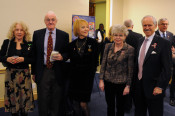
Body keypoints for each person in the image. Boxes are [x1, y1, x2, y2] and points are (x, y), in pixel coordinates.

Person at [132, 15, 172, 116]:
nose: (147, 27)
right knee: (139, 112)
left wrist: (160, 86)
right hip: (139, 86)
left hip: (155, 88)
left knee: (155, 113)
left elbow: (167, 68)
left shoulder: (164, 43)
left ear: (155, 26)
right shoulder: (140, 41)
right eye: (144, 25)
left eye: (150, 25)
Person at [31, 11, 69, 116]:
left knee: (56, 99)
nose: (50, 21)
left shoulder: (64, 35)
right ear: (44, 21)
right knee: (43, 99)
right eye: (48, 19)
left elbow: (67, 52)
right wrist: (34, 72)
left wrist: (63, 56)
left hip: (58, 71)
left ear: (56, 21)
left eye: (53, 19)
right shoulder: (37, 34)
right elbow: (34, 54)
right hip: (43, 71)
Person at [99, 24, 134, 116]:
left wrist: (128, 86)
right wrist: (101, 80)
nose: (117, 37)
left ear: (125, 36)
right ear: (112, 36)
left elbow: (130, 70)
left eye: (120, 35)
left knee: (120, 107)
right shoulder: (107, 46)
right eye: (115, 35)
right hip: (108, 81)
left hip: (122, 83)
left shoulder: (130, 49)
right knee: (110, 105)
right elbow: (103, 64)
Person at [0, 21, 34, 116]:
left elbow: (33, 59)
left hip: (24, 75)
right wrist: (7, 58)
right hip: (10, 75)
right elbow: (0, 56)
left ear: (25, 32)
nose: (19, 32)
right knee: (13, 100)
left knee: (24, 101)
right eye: (17, 30)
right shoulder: (7, 43)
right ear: (13, 31)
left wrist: (24, 59)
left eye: (21, 30)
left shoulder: (29, 44)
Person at [67, 19, 99, 116]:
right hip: (75, 79)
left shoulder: (93, 43)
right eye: (83, 27)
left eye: (87, 27)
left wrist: (91, 74)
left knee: (83, 103)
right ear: (77, 29)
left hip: (86, 79)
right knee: (75, 103)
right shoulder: (71, 44)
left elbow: (95, 62)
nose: (86, 29)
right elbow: (70, 60)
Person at [155, 18, 175, 106]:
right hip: (157, 62)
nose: (165, 26)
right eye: (163, 24)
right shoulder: (154, 34)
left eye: (166, 24)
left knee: (169, 79)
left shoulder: (171, 35)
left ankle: (172, 97)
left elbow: (172, 46)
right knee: (158, 79)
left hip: (169, 62)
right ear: (158, 25)